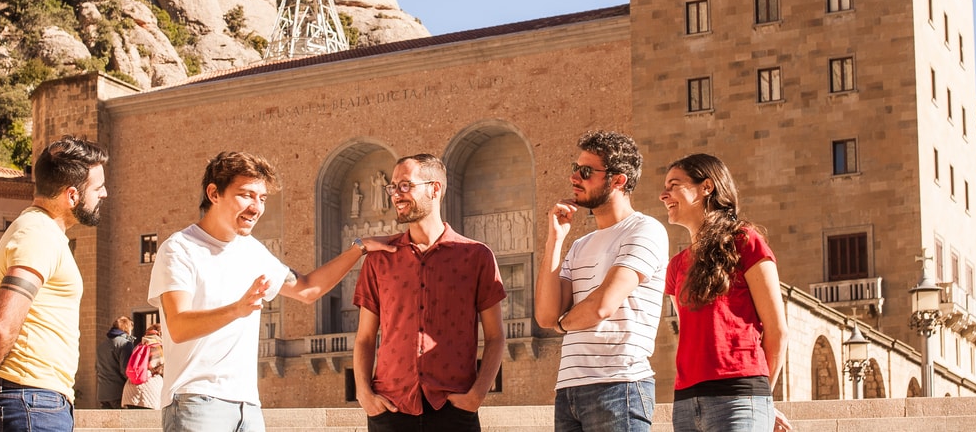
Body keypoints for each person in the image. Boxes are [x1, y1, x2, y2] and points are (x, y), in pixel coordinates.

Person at [149, 151, 394, 432]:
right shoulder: (179, 248)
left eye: (262, 198)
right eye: (246, 195)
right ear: (214, 193)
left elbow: (306, 289)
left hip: (248, 407)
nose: (256, 207)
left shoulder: (251, 249)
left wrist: (359, 249)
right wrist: (236, 309)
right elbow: (178, 326)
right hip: (196, 403)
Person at [0, 135, 109, 430]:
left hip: (32, 401)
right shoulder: (38, 234)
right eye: (98, 187)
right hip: (30, 403)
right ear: (72, 195)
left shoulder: (39, 231)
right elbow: (2, 324)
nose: (104, 194)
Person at [353, 153, 507, 432]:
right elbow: (364, 338)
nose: (395, 194)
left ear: (434, 188)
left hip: (454, 410)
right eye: (392, 187)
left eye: (405, 185)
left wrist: (477, 395)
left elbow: (496, 337)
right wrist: (364, 394)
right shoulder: (379, 260)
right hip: (390, 409)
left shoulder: (476, 256)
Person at [534, 130, 669, 432]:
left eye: (585, 172)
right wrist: (555, 241)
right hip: (569, 388)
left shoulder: (646, 230)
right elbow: (545, 315)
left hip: (619, 387)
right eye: (574, 168)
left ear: (618, 180)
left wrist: (562, 324)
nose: (574, 178)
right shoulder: (580, 244)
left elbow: (602, 305)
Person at [659, 153, 790, 432]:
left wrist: (762, 400)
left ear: (707, 187)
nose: (663, 195)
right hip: (686, 401)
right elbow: (690, 336)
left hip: (739, 394)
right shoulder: (675, 266)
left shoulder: (745, 241)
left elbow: (778, 330)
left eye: (674, 185)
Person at [96, 316, 136, 408]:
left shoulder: (101, 345)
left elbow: (97, 368)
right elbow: (125, 370)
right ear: (127, 328)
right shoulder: (126, 344)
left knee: (106, 422)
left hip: (102, 393)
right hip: (119, 392)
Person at [122, 323, 164, 409]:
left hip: (130, 391)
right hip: (150, 390)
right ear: (160, 334)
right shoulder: (158, 347)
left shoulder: (139, 346)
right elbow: (161, 369)